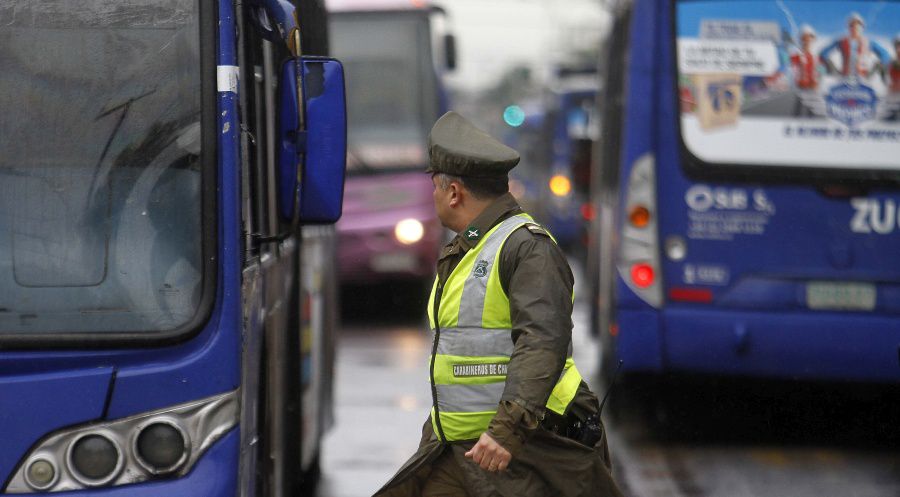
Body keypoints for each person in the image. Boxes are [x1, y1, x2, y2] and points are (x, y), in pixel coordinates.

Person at [373, 112, 623, 497]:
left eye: (435, 187)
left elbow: (542, 343)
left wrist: (506, 432)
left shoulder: (527, 249)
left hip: (528, 449)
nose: (434, 196)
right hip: (466, 450)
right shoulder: (469, 247)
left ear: (454, 192)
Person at [819, 12, 890, 79]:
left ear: (862, 28)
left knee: (884, 64)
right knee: (819, 62)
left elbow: (885, 55)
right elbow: (822, 54)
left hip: (864, 77)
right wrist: (831, 70)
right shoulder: (841, 41)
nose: (855, 28)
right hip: (844, 77)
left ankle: (886, 84)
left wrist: (873, 70)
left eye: (858, 25)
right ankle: (821, 82)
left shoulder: (869, 42)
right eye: (852, 25)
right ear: (848, 27)